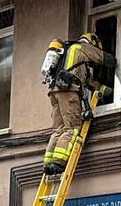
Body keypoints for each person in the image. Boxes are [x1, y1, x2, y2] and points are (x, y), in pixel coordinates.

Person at [41, 33, 115, 178]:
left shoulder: (66, 54)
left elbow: (87, 82)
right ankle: (58, 162)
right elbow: (103, 58)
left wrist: (107, 90)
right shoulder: (81, 48)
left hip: (55, 93)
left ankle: (48, 163)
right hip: (68, 93)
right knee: (72, 128)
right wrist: (114, 60)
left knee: (58, 129)